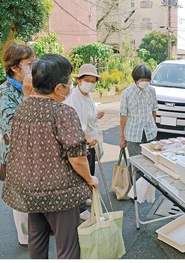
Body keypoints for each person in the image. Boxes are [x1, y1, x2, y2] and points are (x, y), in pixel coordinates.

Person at [1, 54, 99, 259]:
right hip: (59, 193)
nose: (71, 85)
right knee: (68, 246)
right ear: (57, 89)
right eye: (69, 81)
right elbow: (77, 157)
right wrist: (90, 179)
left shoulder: (23, 108)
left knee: (36, 240)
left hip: (30, 189)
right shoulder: (63, 112)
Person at [0, 43, 35, 246]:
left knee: (36, 192)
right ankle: (26, 238)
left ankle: (39, 230)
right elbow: (13, 128)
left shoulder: (35, 85)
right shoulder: (4, 92)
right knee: (20, 199)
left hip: (37, 152)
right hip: (15, 154)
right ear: (15, 67)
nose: (33, 66)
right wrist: (28, 97)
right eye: (29, 63)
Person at [65, 63, 105, 221]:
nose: (90, 83)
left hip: (91, 141)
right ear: (79, 80)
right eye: (87, 80)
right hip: (81, 141)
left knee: (90, 171)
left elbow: (89, 115)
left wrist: (97, 114)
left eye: (93, 81)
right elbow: (75, 124)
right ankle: (80, 208)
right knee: (82, 174)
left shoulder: (88, 95)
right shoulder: (74, 97)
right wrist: (86, 137)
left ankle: (85, 196)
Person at [119, 64, 158, 181]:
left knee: (150, 162)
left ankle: (147, 191)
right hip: (133, 134)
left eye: (147, 80)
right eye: (142, 80)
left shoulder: (151, 91)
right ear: (136, 80)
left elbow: (154, 110)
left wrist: (154, 126)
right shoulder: (127, 93)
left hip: (150, 132)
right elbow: (123, 116)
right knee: (136, 163)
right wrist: (122, 137)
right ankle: (135, 193)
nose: (145, 82)